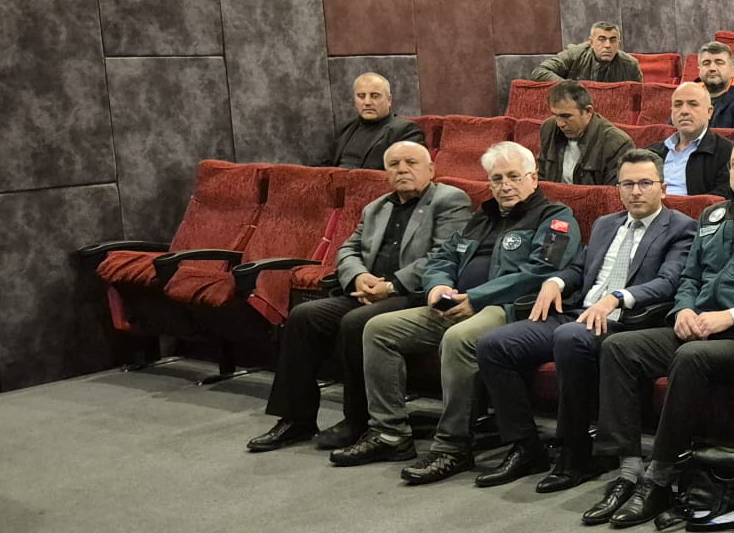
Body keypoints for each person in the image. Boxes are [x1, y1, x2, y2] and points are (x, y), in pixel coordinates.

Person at [580, 138, 734, 530]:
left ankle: (659, 478)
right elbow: (690, 277)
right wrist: (683, 310)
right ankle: (628, 470)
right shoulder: (712, 215)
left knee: (691, 357)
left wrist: (730, 317)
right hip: (698, 325)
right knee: (619, 347)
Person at [334, 142, 581, 483]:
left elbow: (541, 271)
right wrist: (437, 288)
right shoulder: (482, 217)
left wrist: (475, 298)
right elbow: (442, 258)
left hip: (507, 308)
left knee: (458, 338)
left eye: (514, 177)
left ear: (534, 178)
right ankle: (390, 433)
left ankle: (453, 446)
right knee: (378, 329)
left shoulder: (555, 217)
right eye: (497, 179)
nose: (505, 186)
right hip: (455, 303)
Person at [472, 149, 697, 491]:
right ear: (618, 188)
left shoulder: (680, 227)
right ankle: (525, 446)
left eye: (645, 183)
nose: (635, 191)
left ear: (663, 189)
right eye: (627, 184)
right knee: (494, 344)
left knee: (570, 337)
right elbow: (579, 267)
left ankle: (575, 453)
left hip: (627, 320)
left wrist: (617, 297)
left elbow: (669, 281)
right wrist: (555, 281)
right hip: (579, 312)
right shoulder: (606, 224)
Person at [246, 141, 470, 453]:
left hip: (415, 294)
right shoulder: (376, 207)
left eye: (411, 163)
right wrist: (358, 277)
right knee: (304, 316)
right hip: (368, 291)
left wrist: (390, 286)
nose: (402, 170)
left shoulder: (450, 200)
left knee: (356, 322)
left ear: (431, 169)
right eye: (394, 165)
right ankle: (296, 419)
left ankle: (358, 419)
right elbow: (348, 249)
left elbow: (443, 255)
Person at [536, 81, 635, 186]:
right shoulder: (549, 128)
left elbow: (612, 193)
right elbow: (541, 179)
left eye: (566, 116)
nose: (560, 124)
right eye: (556, 115)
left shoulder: (617, 144)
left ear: (588, 111)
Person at [323, 72, 423, 170]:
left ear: (389, 100)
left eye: (375, 96)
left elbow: (409, 171)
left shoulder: (405, 130)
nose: (367, 102)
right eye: (361, 96)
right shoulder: (345, 128)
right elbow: (325, 165)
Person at [650, 83, 734, 198]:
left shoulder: (728, 152)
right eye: (678, 105)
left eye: (693, 104)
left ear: (709, 112)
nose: (684, 111)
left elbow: (722, 199)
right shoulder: (652, 152)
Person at [532, 22, 642, 83]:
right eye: (602, 39)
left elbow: (638, 98)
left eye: (613, 40)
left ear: (619, 44)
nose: (608, 45)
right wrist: (569, 86)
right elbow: (540, 72)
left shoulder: (630, 65)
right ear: (591, 42)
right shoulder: (575, 54)